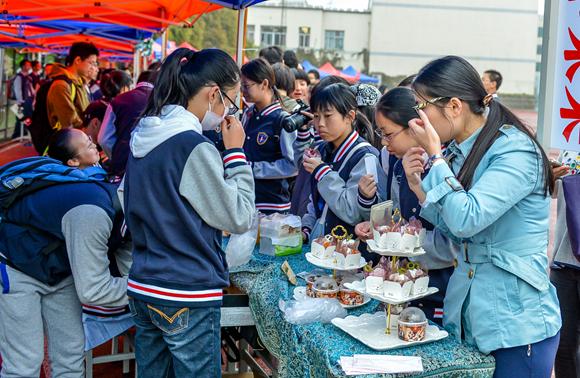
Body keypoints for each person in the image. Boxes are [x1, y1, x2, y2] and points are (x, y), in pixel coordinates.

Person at [402, 55, 560, 377]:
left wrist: (435, 156)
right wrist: (420, 188)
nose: (417, 117)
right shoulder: (462, 150)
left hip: (517, 322)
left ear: (455, 106)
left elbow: (467, 219)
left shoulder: (516, 150)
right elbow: (459, 233)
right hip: (472, 313)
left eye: (422, 106)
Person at [123, 48, 255, 376]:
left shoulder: (145, 134)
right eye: (232, 100)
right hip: (185, 289)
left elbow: (125, 197)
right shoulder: (191, 146)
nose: (230, 111)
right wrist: (236, 152)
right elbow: (238, 216)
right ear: (214, 94)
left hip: (144, 283)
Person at [0, 144, 132, 377]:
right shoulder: (92, 214)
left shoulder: (125, 206)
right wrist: (148, 288)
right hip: (16, 263)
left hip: (59, 266)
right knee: (25, 362)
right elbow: (93, 290)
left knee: (70, 355)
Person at [354, 87, 459, 325]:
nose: (383, 142)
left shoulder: (446, 168)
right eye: (380, 133)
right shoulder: (401, 164)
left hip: (439, 293)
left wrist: (398, 243)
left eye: (388, 134)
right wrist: (379, 228)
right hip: (405, 290)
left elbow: (452, 245)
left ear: (415, 127)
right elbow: (399, 219)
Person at [297, 83, 378, 258]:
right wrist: (306, 230)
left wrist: (323, 173)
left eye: (328, 116)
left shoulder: (366, 156)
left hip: (349, 257)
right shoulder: (323, 149)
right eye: (316, 116)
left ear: (349, 117)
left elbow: (352, 213)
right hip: (321, 249)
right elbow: (316, 201)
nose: (320, 124)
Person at [241, 58, 298, 213]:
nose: (243, 91)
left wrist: (253, 168)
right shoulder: (248, 114)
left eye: (246, 86)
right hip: (248, 201)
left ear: (264, 84)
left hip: (273, 206)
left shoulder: (282, 120)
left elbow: (292, 165)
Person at [549, 151, 579, 378]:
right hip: (564, 261)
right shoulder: (570, 147)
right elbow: (554, 192)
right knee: (562, 345)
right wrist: (548, 176)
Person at [99, 70, 155, 178]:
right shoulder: (163, 101)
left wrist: (117, 153)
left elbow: (104, 139)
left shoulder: (118, 100)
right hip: (150, 169)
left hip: (120, 167)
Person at [47, 41, 98, 130]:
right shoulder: (61, 85)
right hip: (67, 141)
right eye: (91, 63)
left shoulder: (79, 83)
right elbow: (70, 121)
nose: (92, 68)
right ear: (78, 60)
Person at [12, 59, 34, 139]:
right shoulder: (19, 77)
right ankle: (17, 135)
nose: (29, 67)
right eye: (27, 65)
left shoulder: (27, 77)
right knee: (21, 118)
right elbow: (18, 89)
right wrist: (20, 101)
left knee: (25, 118)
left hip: (27, 102)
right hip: (21, 102)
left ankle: (24, 133)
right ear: (23, 66)